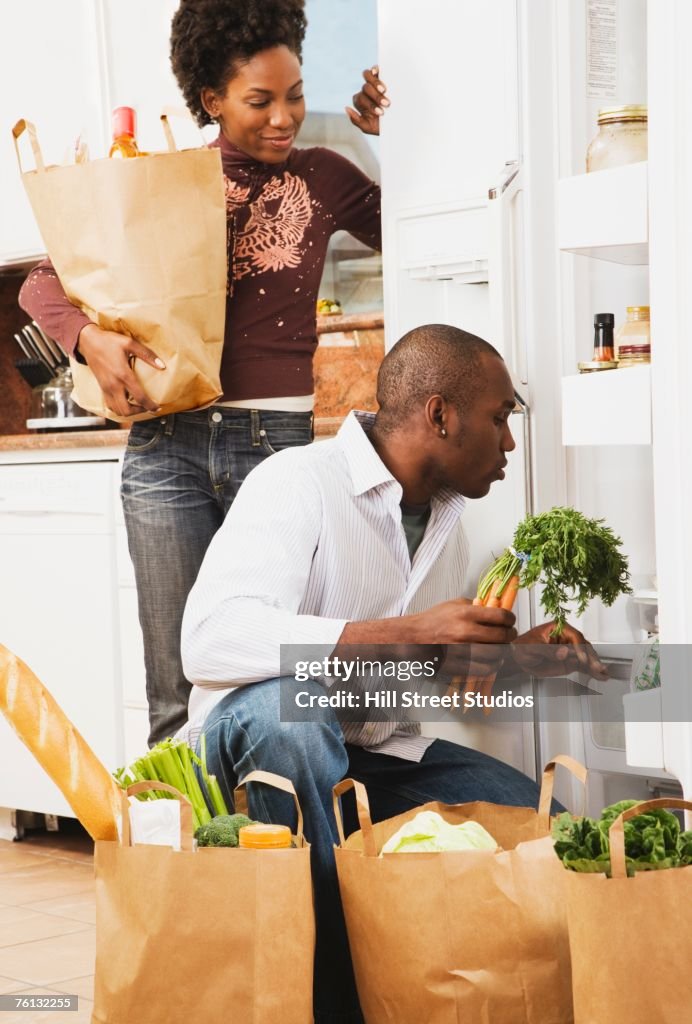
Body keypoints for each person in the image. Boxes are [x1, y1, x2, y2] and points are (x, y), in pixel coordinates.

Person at [180, 324, 608, 1024]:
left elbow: (407, 682)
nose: (508, 442)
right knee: (293, 712)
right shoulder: (299, 483)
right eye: (500, 419)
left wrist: (512, 659)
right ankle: (329, 997)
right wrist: (407, 631)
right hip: (253, 742)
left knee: (543, 828)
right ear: (440, 414)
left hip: (371, 751)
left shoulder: (448, 525)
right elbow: (209, 641)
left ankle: (421, 983)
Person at [18, 0, 389, 744]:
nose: (283, 117)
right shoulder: (163, 181)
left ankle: (284, 844)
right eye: (260, 101)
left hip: (278, 450)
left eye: (294, 95)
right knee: (177, 690)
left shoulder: (326, 177)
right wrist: (89, 338)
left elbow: (414, 225)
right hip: (166, 449)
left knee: (288, 673)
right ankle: (188, 855)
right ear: (212, 100)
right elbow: (40, 286)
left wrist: (393, 139)